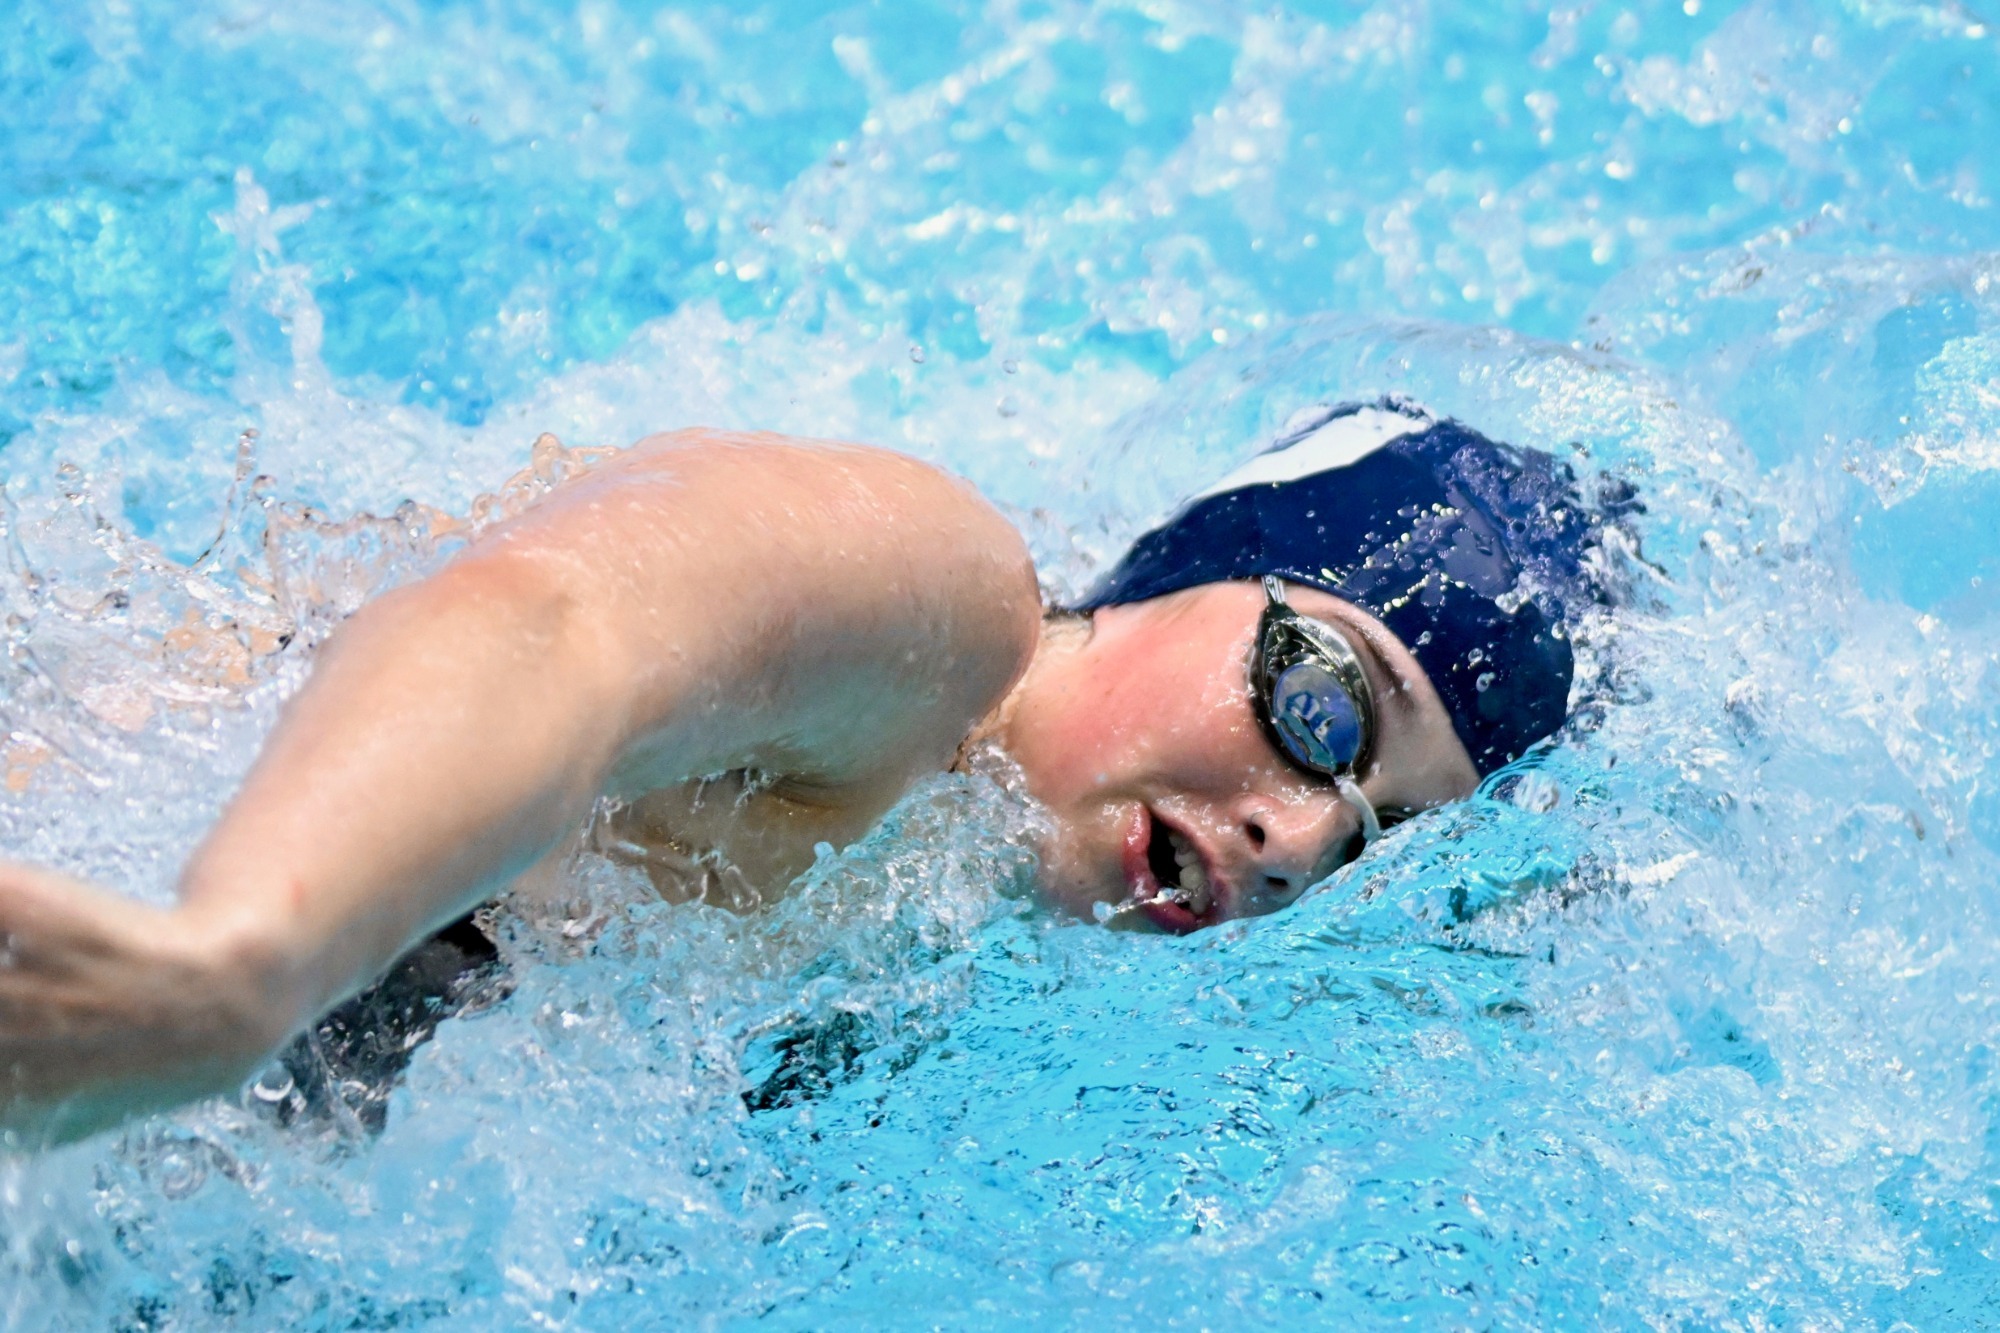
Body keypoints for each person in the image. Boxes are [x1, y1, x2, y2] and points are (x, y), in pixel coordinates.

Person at [0, 398, 1618, 1143]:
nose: (1292, 837)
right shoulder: (939, 618)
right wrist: (248, 955)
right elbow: (549, 631)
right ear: (1194, 571)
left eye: (1371, 839)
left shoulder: (938, 944)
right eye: (1333, 711)